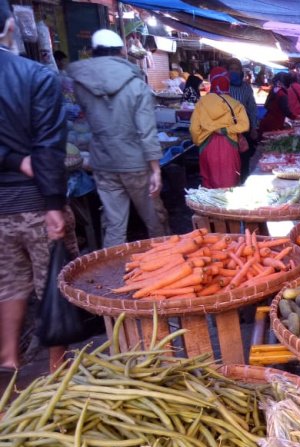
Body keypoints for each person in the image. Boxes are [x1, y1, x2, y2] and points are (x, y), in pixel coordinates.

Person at [0, 0, 72, 371]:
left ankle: (9, 358)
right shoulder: (37, 76)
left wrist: (9, 158)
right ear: (10, 26)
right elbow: (48, 146)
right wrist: (55, 204)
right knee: (53, 280)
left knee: (9, 284)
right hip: (35, 200)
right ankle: (57, 366)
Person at [68, 29, 167, 248]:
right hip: (135, 163)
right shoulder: (136, 84)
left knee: (114, 226)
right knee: (154, 220)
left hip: (103, 163)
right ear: (121, 52)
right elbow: (146, 130)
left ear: (93, 52)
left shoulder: (81, 84)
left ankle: (111, 277)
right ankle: (165, 263)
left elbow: (89, 120)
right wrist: (156, 169)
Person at [190, 67, 250, 189]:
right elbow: (245, 125)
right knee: (230, 184)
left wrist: (199, 141)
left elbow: (194, 129)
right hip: (230, 145)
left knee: (209, 184)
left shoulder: (202, 102)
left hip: (207, 146)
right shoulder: (235, 104)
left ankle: (208, 208)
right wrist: (226, 130)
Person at [226, 58, 257, 180]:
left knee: (244, 157)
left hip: (244, 128)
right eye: (231, 69)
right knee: (230, 159)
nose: (234, 72)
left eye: (236, 69)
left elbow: (252, 108)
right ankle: (231, 182)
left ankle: (244, 181)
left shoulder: (246, 88)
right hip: (227, 129)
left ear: (241, 71)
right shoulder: (224, 86)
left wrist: (254, 127)